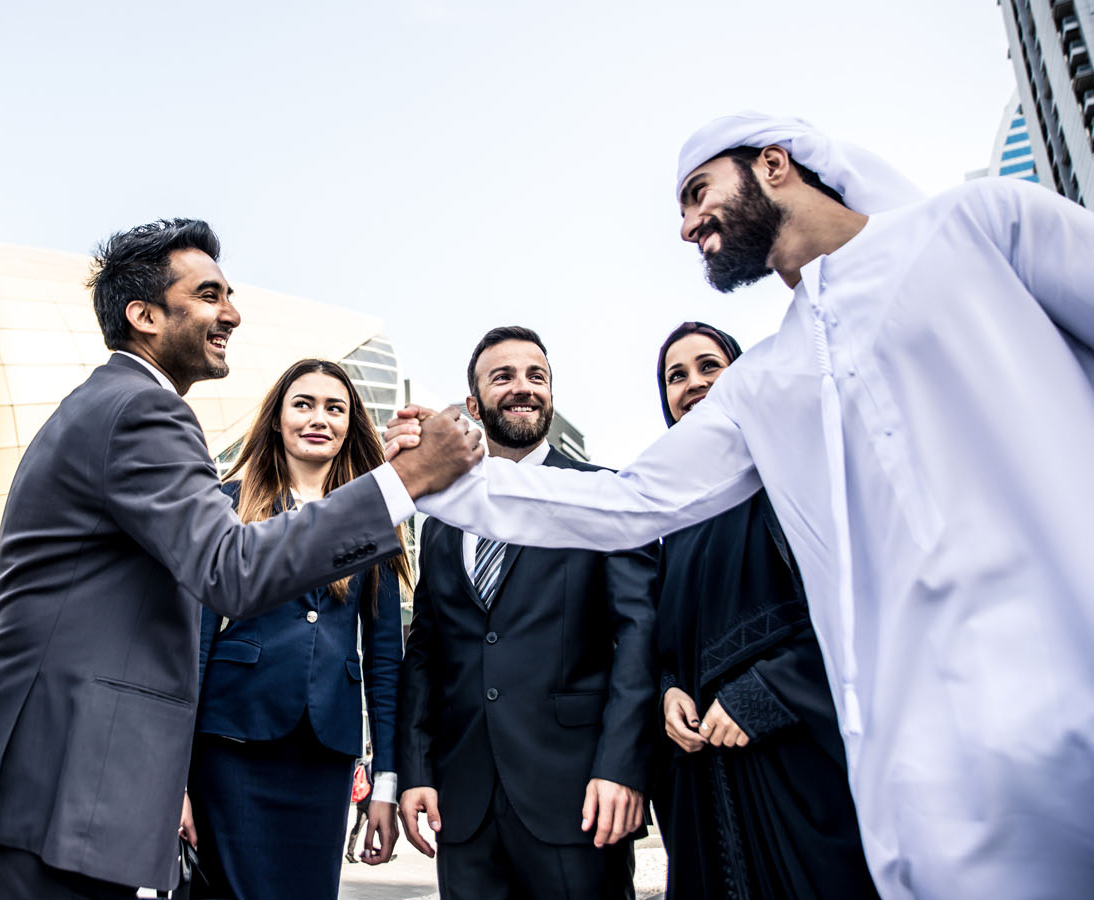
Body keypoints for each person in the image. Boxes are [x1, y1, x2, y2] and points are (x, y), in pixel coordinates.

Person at [390, 113, 1094, 899]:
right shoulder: (767, 381)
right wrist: (447, 482)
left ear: (773, 162)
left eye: (697, 193)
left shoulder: (983, 225)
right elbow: (632, 502)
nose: (688, 225)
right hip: (929, 770)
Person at [0, 219, 481, 900]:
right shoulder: (141, 412)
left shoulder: (117, 405)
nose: (233, 313)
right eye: (210, 294)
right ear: (145, 315)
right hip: (47, 768)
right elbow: (232, 568)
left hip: (52, 768)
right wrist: (407, 480)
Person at [396, 327, 658, 900]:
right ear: (473, 405)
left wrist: (623, 766)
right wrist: (416, 771)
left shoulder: (604, 494)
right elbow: (426, 653)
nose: (523, 389)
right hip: (464, 811)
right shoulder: (442, 520)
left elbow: (639, 638)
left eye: (536, 376)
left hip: (581, 798)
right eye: (503, 377)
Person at [650, 321, 876, 899]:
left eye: (709, 366)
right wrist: (670, 689)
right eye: (676, 377)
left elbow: (854, 609)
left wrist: (763, 693)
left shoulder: (793, 476)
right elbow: (668, 637)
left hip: (797, 768)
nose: (693, 383)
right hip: (706, 783)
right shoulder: (673, 515)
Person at [188, 358, 411, 900]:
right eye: (303, 404)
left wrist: (384, 781)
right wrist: (173, 777)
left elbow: (385, 661)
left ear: (350, 424)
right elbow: (192, 641)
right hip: (230, 745)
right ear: (277, 419)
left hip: (324, 754)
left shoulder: (371, 519)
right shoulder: (227, 503)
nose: (319, 418)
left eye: (335, 408)